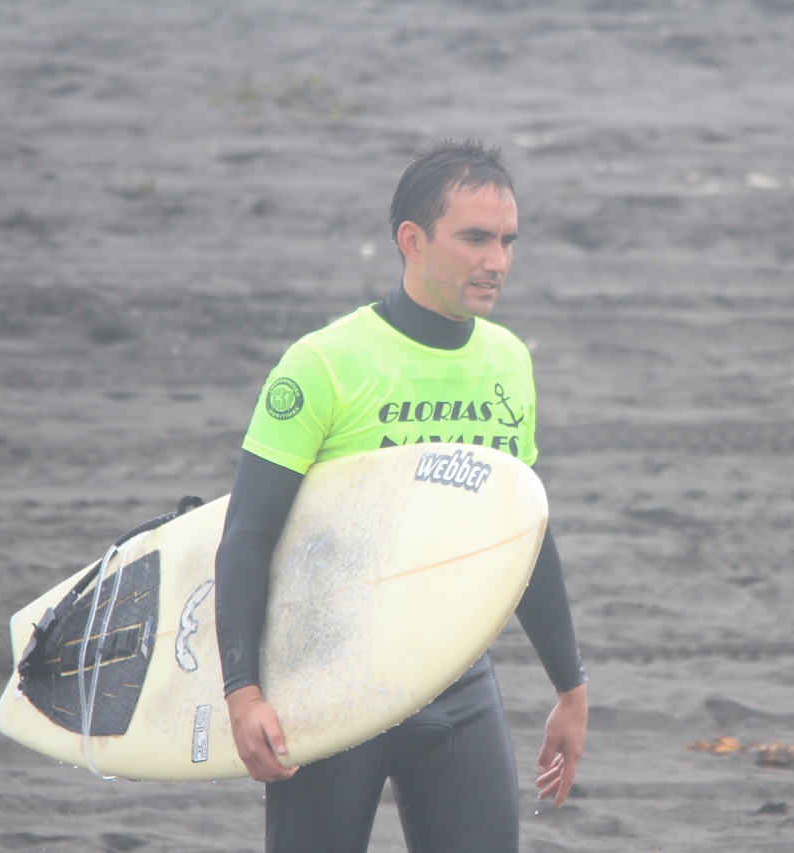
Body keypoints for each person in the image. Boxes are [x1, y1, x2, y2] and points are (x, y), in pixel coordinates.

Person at [214, 138, 588, 853]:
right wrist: (244, 691)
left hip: (456, 681)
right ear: (412, 241)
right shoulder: (324, 364)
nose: (497, 260)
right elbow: (248, 535)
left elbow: (524, 533)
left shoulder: (507, 361)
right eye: (475, 238)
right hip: (328, 687)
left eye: (507, 240)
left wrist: (570, 687)